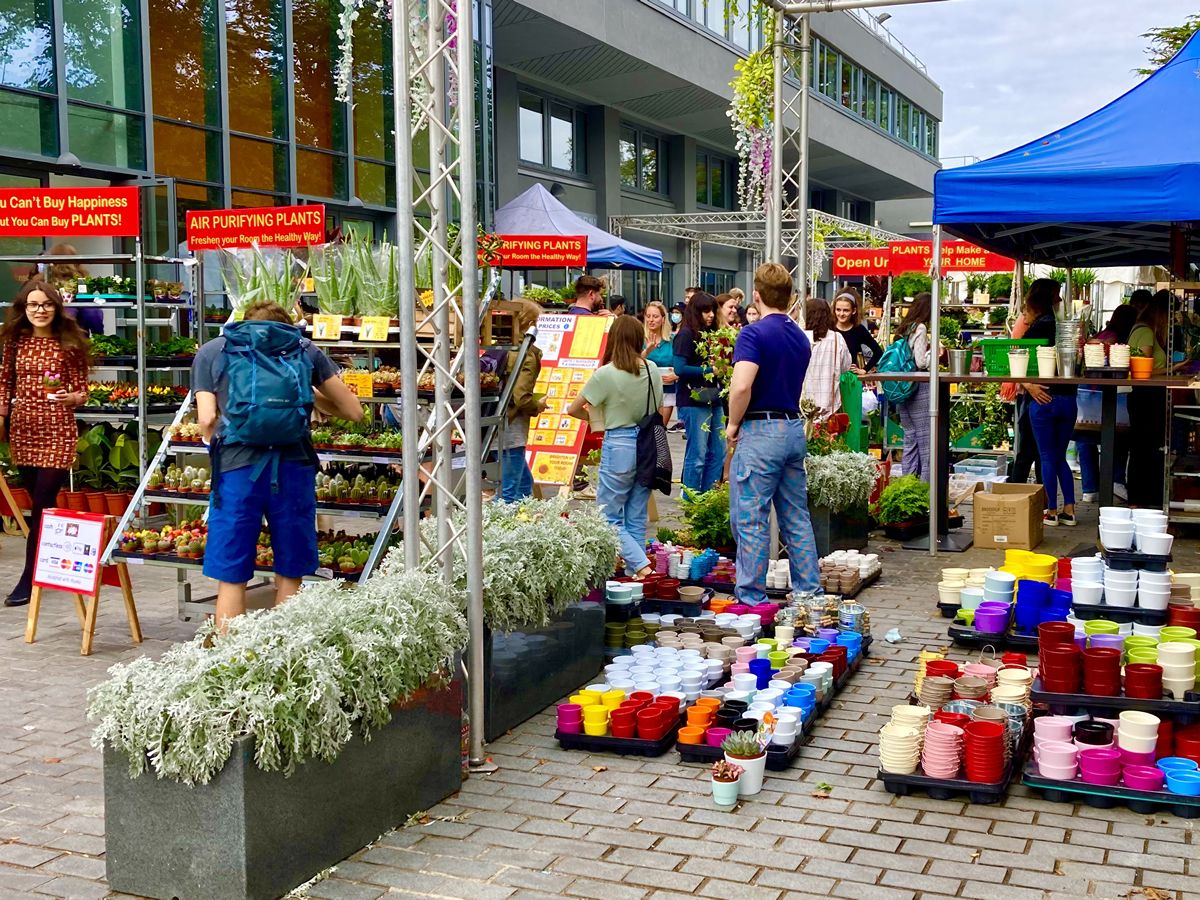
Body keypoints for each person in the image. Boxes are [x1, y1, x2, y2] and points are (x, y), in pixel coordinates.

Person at [194, 300, 364, 626]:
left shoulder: (214, 351)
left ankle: (233, 659)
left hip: (236, 469)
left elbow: (207, 419)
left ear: (245, 324)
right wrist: (305, 394)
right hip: (293, 467)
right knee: (291, 570)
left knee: (232, 573)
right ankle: (285, 654)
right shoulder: (304, 351)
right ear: (286, 327)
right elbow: (353, 412)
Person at [725, 262, 818, 603]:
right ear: (792, 297)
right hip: (793, 426)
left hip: (761, 429)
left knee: (751, 517)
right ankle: (809, 593)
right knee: (796, 516)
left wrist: (733, 424)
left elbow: (741, 386)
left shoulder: (753, 334)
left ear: (756, 295)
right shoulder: (799, 336)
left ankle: (751, 599)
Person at [0, 282, 90, 607]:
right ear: (24, 309)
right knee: (37, 502)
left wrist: (72, 398)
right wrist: (2, 416)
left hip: (57, 427)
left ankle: (29, 576)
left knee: (42, 502)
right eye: (33, 305)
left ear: (56, 308)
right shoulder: (15, 341)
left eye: (46, 305)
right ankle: (50, 563)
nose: (40, 310)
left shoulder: (69, 343)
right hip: (24, 427)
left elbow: (83, 391)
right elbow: (5, 381)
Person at [568, 315, 662, 578]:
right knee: (635, 516)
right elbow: (657, 407)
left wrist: (597, 418)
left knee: (607, 517)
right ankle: (636, 574)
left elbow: (573, 409)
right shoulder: (652, 368)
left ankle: (641, 564)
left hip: (619, 443)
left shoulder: (605, 374)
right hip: (647, 445)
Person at [1021, 278, 1078, 526]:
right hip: (1068, 400)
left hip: (1043, 399)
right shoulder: (1066, 328)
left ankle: (1051, 512)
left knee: (1046, 456)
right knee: (1060, 456)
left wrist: (1028, 385)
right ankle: (1070, 509)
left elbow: (1017, 363)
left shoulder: (1036, 329)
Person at [1076, 304, 1138, 501]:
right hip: (1108, 395)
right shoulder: (1113, 338)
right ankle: (1116, 481)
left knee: (1086, 440)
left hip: (1087, 395)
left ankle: (1089, 488)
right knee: (1118, 437)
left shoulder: (1102, 334)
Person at [672, 292, 726, 492]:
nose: (710, 315)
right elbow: (679, 368)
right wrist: (711, 370)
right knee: (698, 454)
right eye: (705, 311)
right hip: (693, 399)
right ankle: (692, 499)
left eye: (712, 310)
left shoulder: (713, 334)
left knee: (718, 452)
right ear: (696, 312)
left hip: (714, 397)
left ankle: (708, 497)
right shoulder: (686, 334)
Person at [1126, 292, 1171, 508]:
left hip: (1142, 397)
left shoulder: (1142, 329)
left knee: (1143, 447)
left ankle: (1141, 498)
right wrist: (1174, 368)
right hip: (1146, 397)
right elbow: (1144, 368)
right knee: (1144, 448)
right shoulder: (1145, 332)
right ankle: (1140, 498)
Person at [500, 300, 545, 502]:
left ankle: (522, 520)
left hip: (494, 419)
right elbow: (521, 396)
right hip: (512, 424)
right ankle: (502, 528)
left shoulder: (499, 345)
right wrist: (537, 405)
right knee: (510, 491)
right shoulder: (526, 354)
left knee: (524, 483)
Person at [893, 292, 933, 483]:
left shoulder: (904, 328)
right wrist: (935, 352)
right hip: (918, 388)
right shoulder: (921, 328)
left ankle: (906, 484)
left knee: (910, 440)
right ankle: (926, 488)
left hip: (902, 388)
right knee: (926, 443)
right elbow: (921, 362)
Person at [801, 298, 852, 421]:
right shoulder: (836, 338)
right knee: (827, 439)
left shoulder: (800, 337)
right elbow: (846, 366)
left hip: (802, 403)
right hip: (830, 405)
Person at [642, 301, 677, 426]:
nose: (651, 320)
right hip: (645, 390)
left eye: (655, 316)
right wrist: (647, 351)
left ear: (663, 319)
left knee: (660, 430)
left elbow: (681, 362)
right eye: (648, 316)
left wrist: (676, 375)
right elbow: (633, 363)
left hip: (667, 390)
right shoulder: (640, 339)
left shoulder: (672, 340)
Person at [831, 288, 883, 373]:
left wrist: (864, 370)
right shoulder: (829, 328)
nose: (841, 314)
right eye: (838, 310)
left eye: (846, 310)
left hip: (849, 379)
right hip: (830, 377)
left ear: (854, 311)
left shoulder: (859, 330)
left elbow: (878, 352)